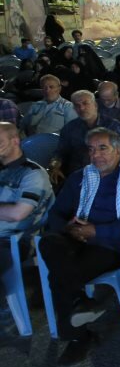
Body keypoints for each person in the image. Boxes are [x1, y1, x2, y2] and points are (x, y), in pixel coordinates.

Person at [39, 127, 120, 366]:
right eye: (91, 149)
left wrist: (97, 231)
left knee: (58, 277)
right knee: (48, 242)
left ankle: (78, 337)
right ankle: (81, 302)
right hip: (74, 238)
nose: (95, 155)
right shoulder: (79, 177)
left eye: (102, 148)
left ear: (118, 150)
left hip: (108, 245)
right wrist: (69, 227)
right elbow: (56, 213)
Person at [0, 123, 54, 308]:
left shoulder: (32, 174)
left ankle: (7, 316)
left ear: (15, 141)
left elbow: (18, 213)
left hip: (15, 240)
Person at [53, 90, 120, 181]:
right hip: (76, 175)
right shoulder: (69, 128)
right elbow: (60, 152)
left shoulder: (113, 126)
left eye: (85, 103)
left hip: (105, 174)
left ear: (95, 105)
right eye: (77, 105)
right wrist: (54, 165)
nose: (81, 108)